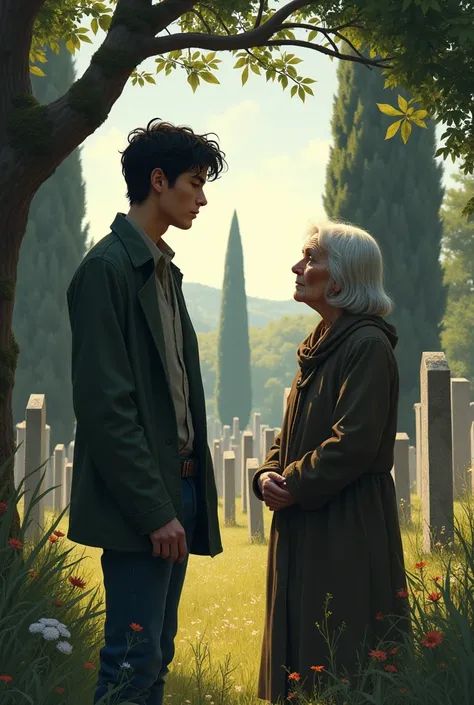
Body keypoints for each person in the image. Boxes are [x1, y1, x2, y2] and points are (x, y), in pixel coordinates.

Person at [66, 120, 226, 705]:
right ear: (158, 181)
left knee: (155, 654)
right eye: (194, 182)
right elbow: (106, 407)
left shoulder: (163, 269)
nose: (202, 198)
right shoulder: (107, 270)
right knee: (131, 664)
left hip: (175, 489)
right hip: (145, 501)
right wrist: (155, 509)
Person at [253, 220, 408, 703]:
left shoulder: (366, 345)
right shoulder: (322, 342)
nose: (298, 268)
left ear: (339, 280)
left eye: (311, 259)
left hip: (344, 519)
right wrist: (267, 476)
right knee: (302, 646)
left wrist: (293, 483)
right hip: (307, 511)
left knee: (340, 648)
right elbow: (291, 435)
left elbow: (354, 442)